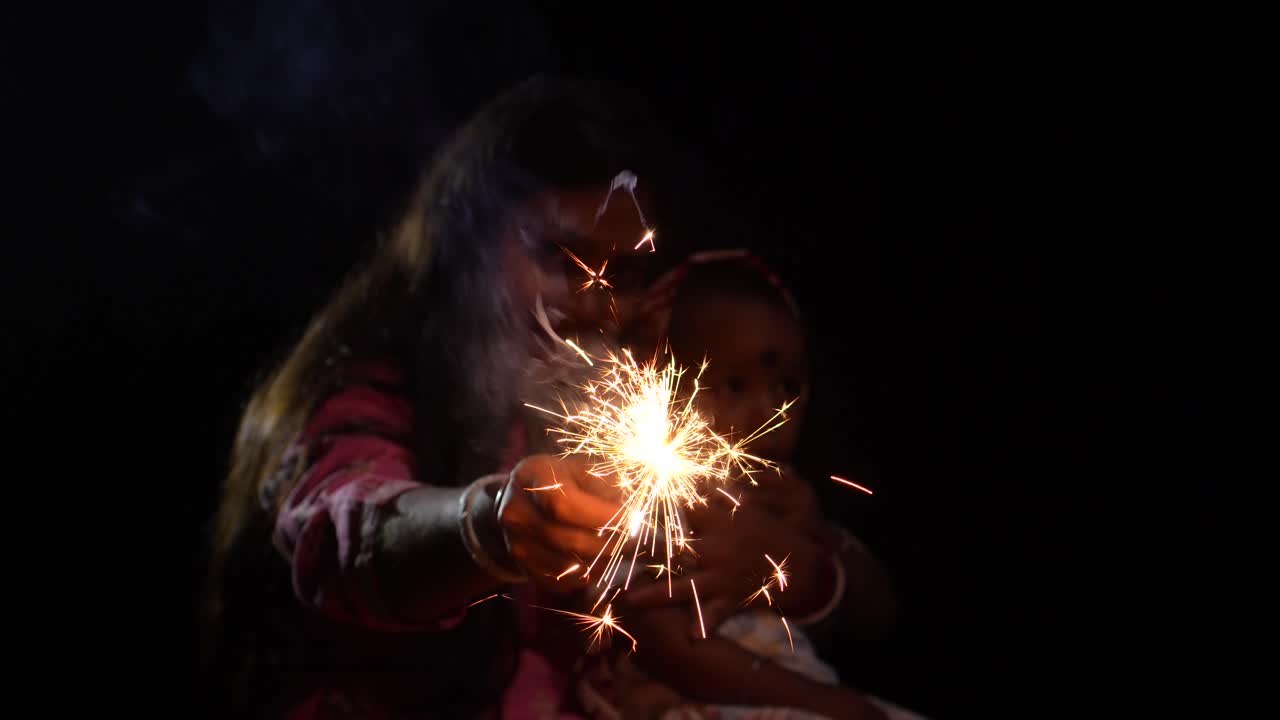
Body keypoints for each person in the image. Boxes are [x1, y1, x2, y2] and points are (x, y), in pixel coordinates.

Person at [203, 75, 660, 719]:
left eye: (628, 275)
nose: (595, 304)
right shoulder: (367, 393)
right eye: (561, 258)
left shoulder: (560, 414)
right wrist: (491, 525)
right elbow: (345, 535)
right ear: (466, 243)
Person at [574, 250, 914, 720]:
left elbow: (879, 617)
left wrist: (820, 538)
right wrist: (826, 702)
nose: (771, 412)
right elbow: (667, 646)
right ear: (662, 384)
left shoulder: (786, 495)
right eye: (734, 385)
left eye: (787, 388)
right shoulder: (655, 496)